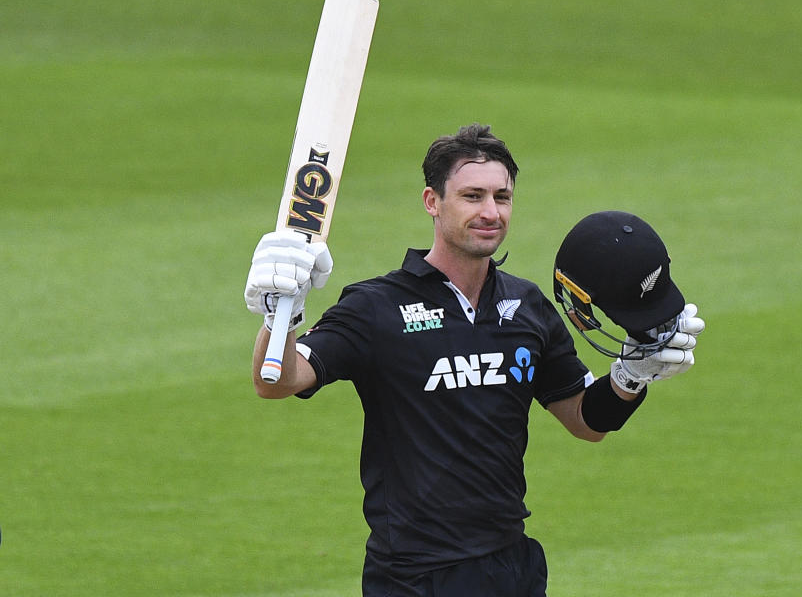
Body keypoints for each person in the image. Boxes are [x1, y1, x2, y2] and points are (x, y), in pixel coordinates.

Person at [244, 124, 705, 596]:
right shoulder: (375, 307)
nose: (491, 212)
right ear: (432, 201)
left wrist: (631, 378)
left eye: (502, 197)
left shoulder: (527, 307)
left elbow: (586, 421)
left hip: (511, 568)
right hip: (414, 576)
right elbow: (275, 380)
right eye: (472, 196)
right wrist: (282, 312)